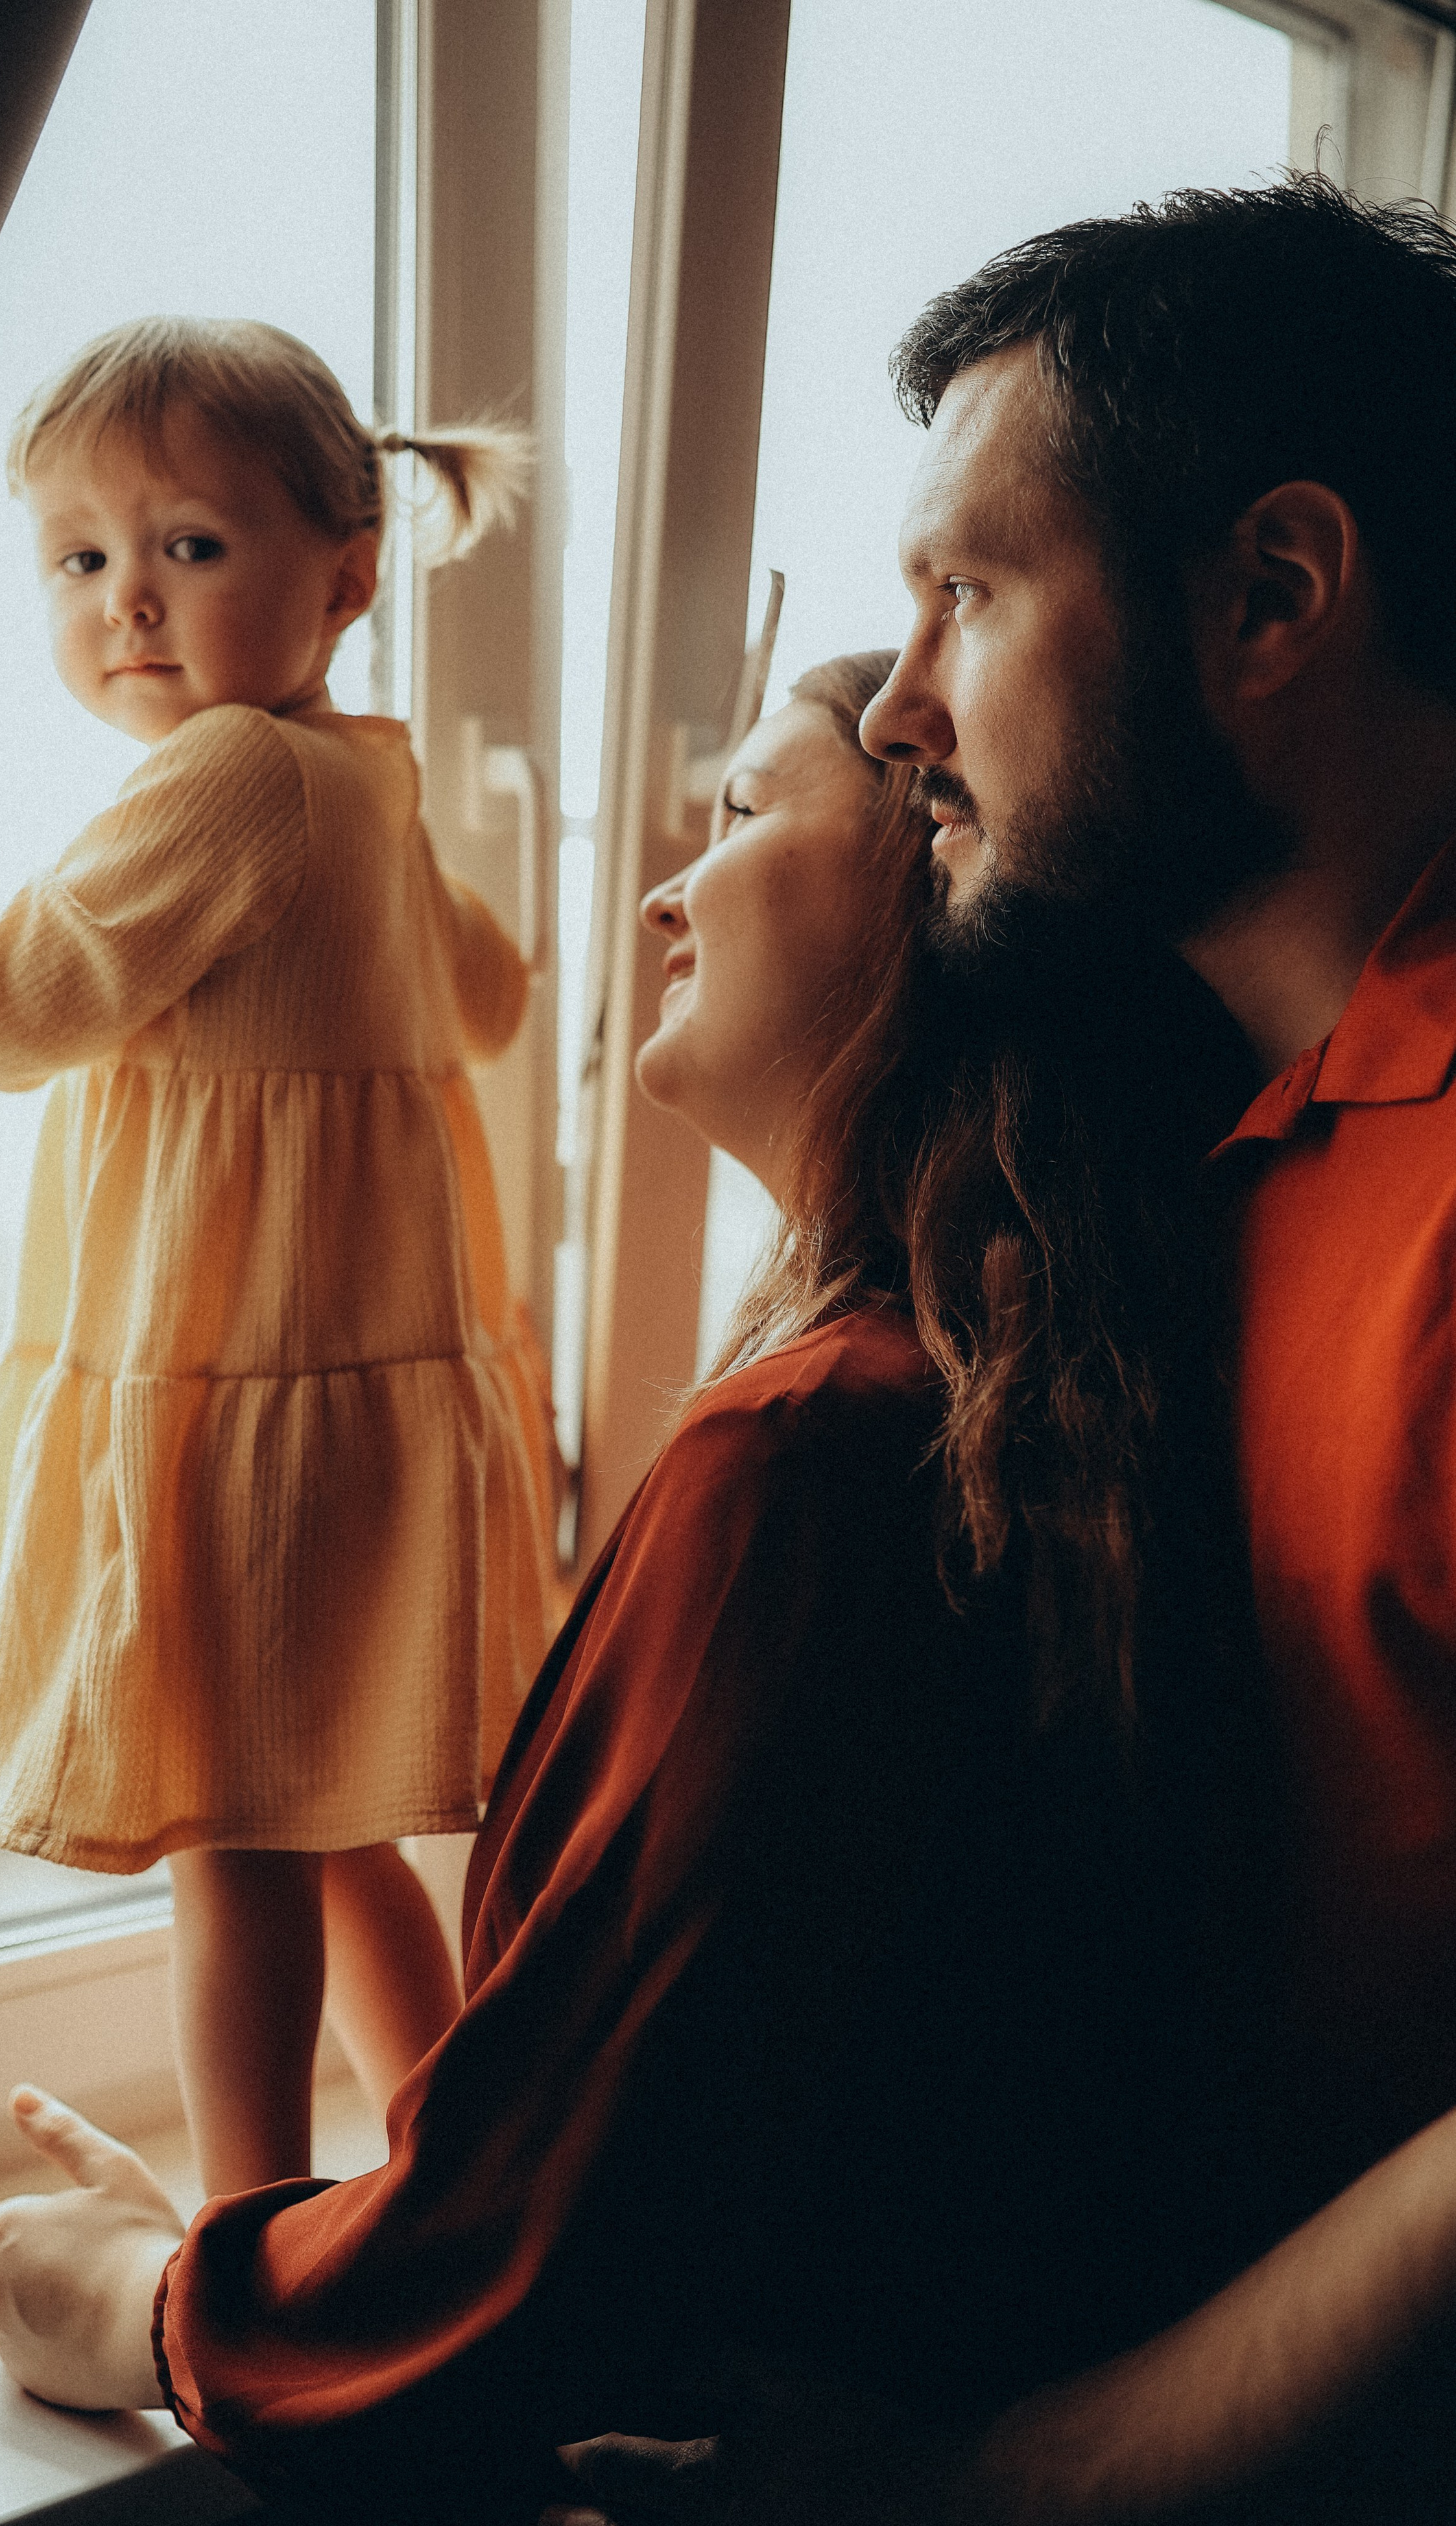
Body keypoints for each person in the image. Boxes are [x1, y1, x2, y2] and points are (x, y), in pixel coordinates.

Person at [0, 654, 1278, 2521]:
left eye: (743, 815)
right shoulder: (1030, 1406)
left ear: (941, 878)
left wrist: (150, 2304)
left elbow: (565, 2239)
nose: (670, 888)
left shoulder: (822, 1458)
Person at [551, 174, 1456, 2521]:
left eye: (967, 588)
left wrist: (1020, 2481)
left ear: (1271, 592)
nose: (912, 709)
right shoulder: (1235, 1151)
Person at [0, 316, 554, 2191]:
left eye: (188, 548)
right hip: (354, 1391)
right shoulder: (368, 781)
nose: (127, 607)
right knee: (340, 1824)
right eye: (80, 560)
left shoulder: (227, 778)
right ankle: (458, 2166)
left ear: (349, 577)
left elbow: (8, 1005)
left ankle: (246, 2239)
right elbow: (489, 995)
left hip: (238, 1399)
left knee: (235, 1854)